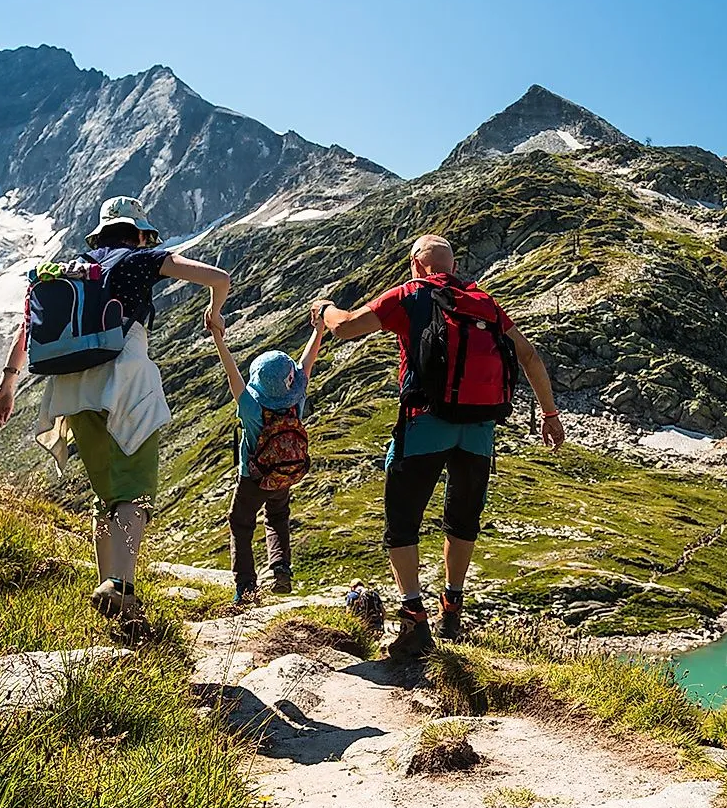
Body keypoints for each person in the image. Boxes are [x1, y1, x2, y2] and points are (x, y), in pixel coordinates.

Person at [311, 234, 565, 659]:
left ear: (416, 264)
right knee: (462, 520)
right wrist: (550, 414)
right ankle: (452, 607)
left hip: (425, 423)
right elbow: (530, 356)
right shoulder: (483, 302)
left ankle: (413, 618)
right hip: (479, 429)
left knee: (402, 521)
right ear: (452, 264)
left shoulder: (409, 294)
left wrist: (324, 309)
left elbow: (346, 328)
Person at [0, 196, 231, 624]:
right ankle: (122, 586)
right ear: (138, 233)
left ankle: (111, 591)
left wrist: (7, 385)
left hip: (72, 391)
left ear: (98, 234)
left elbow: (28, 329)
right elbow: (217, 276)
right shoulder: (139, 259)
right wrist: (214, 311)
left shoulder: (69, 272)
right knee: (134, 492)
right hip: (125, 384)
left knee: (106, 497)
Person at [210, 309, 326, 602]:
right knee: (277, 516)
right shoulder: (296, 400)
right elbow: (306, 363)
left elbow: (231, 372)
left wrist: (218, 337)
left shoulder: (251, 408)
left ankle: (246, 588)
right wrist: (319, 329)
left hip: (253, 478)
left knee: (241, 523)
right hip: (284, 474)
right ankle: (281, 570)